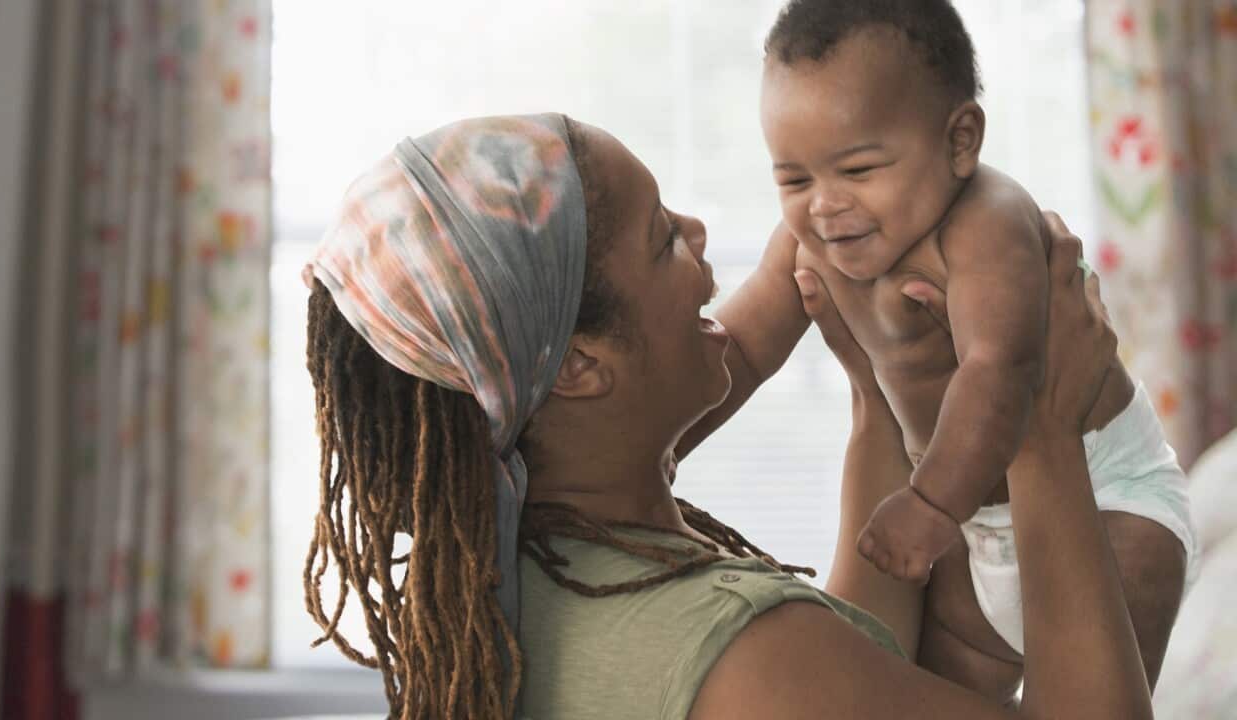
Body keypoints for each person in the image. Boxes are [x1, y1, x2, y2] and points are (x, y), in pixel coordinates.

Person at [300, 113, 1152, 719]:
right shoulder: (750, 659)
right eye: (663, 238)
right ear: (582, 369)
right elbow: (802, 673)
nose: (700, 230)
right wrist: (1036, 423)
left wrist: (881, 398)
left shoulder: (524, 567)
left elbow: (864, 663)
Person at [745, 0, 1196, 700]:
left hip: (1107, 500)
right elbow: (742, 346)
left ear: (960, 141)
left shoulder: (988, 223)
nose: (825, 205)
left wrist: (927, 503)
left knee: (1095, 689)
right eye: (794, 179)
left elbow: (1000, 369)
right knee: (938, 690)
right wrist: (664, 434)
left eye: (858, 170)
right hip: (974, 522)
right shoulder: (814, 239)